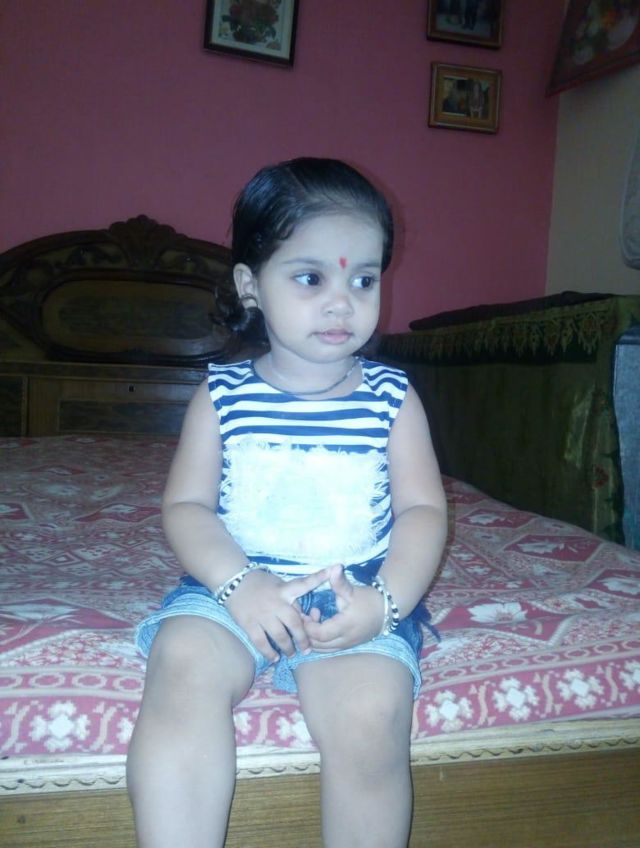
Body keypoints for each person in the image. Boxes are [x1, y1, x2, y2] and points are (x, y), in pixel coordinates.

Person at [126, 157, 448, 848]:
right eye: (311, 278)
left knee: (372, 713)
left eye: (363, 280)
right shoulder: (222, 396)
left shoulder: (392, 398)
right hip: (233, 586)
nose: (342, 302)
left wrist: (385, 604)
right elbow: (187, 507)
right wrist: (239, 585)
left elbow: (424, 512)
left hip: (356, 591)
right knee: (181, 665)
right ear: (251, 285)